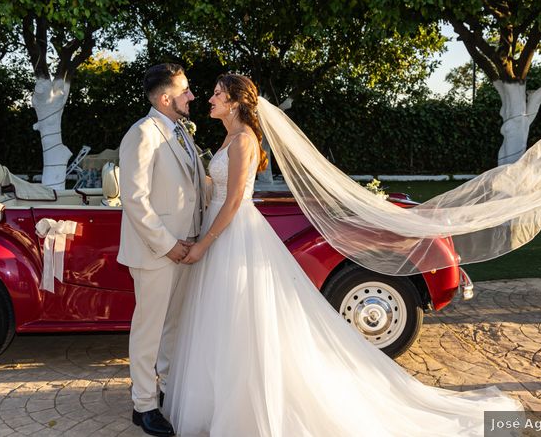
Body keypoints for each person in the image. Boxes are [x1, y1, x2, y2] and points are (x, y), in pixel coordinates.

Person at [163, 74, 522, 436]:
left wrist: (203, 245)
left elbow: (234, 200)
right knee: (222, 319)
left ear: (236, 102)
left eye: (218, 94)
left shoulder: (243, 140)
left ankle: (248, 407)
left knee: (241, 318)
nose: (210, 98)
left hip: (233, 233)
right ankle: (219, 401)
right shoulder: (228, 137)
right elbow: (214, 187)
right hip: (222, 231)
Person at [118, 63, 207, 437]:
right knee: (149, 330)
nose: (191, 96)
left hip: (186, 246)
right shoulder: (142, 133)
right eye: (185, 90)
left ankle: (167, 390)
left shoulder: (180, 132)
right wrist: (168, 245)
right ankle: (143, 405)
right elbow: (134, 199)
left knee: (173, 325)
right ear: (166, 97)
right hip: (156, 251)